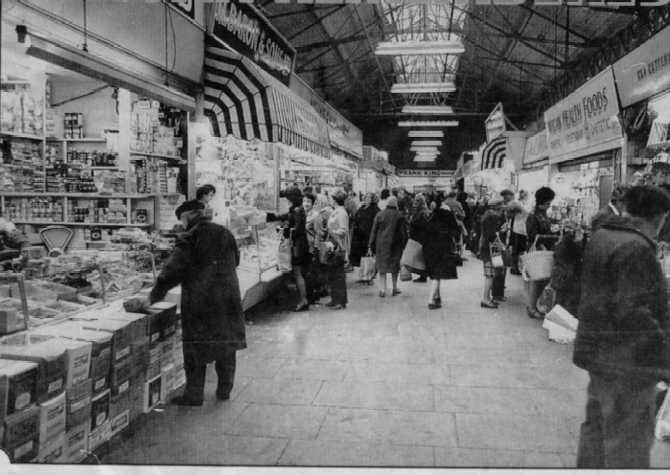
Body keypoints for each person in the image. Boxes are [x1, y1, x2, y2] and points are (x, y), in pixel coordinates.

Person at [574, 185, 670, 468]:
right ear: (659, 216)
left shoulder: (603, 236)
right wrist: (663, 352)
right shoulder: (636, 248)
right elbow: (634, 312)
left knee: (596, 429)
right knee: (629, 442)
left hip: (599, 355)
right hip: (628, 363)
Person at [147, 200, 246, 405]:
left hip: (201, 300)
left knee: (195, 347)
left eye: (182, 219)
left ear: (189, 215)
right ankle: (224, 389)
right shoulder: (224, 232)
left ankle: (194, 394)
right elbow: (236, 260)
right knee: (226, 344)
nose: (182, 224)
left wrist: (154, 295)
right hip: (228, 298)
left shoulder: (190, 237)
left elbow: (173, 270)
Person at [269, 187, 310, 312]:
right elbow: (284, 216)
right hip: (299, 244)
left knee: (297, 273)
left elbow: (298, 229)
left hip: (297, 246)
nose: (286, 200)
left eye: (287, 198)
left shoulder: (297, 210)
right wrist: (267, 216)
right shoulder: (297, 209)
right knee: (297, 273)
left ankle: (303, 301)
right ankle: (302, 299)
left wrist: (284, 230)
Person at [422, 194, 460, 309]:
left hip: (429, 246)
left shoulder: (429, 215)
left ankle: (437, 296)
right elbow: (455, 228)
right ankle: (431, 300)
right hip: (443, 246)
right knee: (437, 274)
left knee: (435, 272)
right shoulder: (447, 214)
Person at [525, 186, 558, 319]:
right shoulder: (533, 215)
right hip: (539, 251)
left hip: (544, 250)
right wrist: (549, 238)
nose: (549, 206)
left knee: (541, 279)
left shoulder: (542, 213)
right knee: (536, 280)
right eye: (548, 203)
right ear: (542, 202)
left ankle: (535, 305)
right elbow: (533, 235)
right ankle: (531, 308)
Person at [369, 196, 407, 298]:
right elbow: (403, 233)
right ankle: (394, 288)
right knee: (395, 267)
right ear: (396, 204)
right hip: (396, 244)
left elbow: (374, 231)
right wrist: (404, 244)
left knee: (382, 267)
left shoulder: (379, 214)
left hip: (381, 244)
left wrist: (370, 245)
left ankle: (382, 289)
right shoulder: (400, 215)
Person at [478, 198, 506, 309]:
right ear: (497, 208)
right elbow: (492, 235)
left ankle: (488, 298)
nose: (502, 211)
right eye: (501, 208)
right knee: (490, 275)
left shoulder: (486, 215)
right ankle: (485, 299)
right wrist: (502, 246)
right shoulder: (493, 217)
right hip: (492, 249)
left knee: (490, 274)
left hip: (487, 248)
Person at [304, 193, 331, 304]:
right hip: (305, 247)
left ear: (313, 203)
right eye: (304, 201)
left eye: (308, 201)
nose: (306, 203)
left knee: (312, 273)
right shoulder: (304, 214)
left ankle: (313, 296)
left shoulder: (316, 216)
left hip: (312, 248)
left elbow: (319, 234)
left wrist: (316, 249)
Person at [325, 190, 349, 309]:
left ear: (334, 200)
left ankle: (340, 301)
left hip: (338, 245)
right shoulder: (336, 211)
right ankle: (335, 299)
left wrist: (332, 232)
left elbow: (344, 230)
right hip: (333, 243)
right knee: (333, 273)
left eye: (331, 198)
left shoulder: (341, 213)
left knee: (338, 274)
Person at [349, 193, 381, 277]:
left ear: (373, 199)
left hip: (369, 235)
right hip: (359, 236)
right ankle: (364, 273)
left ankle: (371, 274)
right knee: (362, 255)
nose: (366, 199)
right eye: (366, 197)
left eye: (369, 197)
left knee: (369, 255)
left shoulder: (376, 210)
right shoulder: (362, 208)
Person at [507, 190, 531, 275]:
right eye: (526, 195)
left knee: (517, 250)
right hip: (521, 230)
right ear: (525, 196)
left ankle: (515, 267)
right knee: (518, 250)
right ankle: (515, 268)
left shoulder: (519, 204)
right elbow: (527, 213)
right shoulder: (519, 205)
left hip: (518, 229)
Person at [409, 194, 431, 283]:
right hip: (419, 238)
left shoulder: (423, 212)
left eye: (418, 201)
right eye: (415, 200)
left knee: (422, 257)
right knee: (421, 257)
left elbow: (424, 225)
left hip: (422, 238)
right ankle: (423, 275)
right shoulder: (419, 211)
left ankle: (423, 275)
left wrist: (413, 223)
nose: (415, 202)